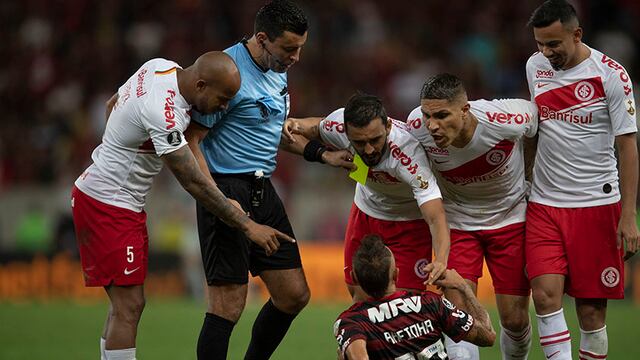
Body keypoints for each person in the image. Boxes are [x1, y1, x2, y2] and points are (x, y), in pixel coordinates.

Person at [72, 52, 295, 360]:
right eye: (223, 98)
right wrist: (247, 225)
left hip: (118, 200)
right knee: (130, 305)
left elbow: (115, 102)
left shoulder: (160, 67)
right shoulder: (164, 113)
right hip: (108, 203)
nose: (225, 107)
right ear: (200, 85)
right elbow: (192, 182)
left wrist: (118, 144)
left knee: (123, 305)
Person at [183, 1, 313, 359]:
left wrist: (320, 153)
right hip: (226, 187)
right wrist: (217, 200)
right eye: (289, 48)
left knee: (293, 295)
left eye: (300, 47)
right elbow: (192, 138)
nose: (296, 57)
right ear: (262, 38)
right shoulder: (226, 72)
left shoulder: (277, 65)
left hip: (262, 189)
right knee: (228, 305)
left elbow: (270, 129)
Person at [525, 1, 639, 359]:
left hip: (596, 204)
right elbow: (536, 128)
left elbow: (628, 147)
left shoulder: (611, 76)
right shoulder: (535, 66)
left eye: (554, 43)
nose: (546, 52)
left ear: (577, 34)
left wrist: (628, 215)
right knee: (544, 295)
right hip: (544, 203)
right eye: (540, 43)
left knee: (591, 312)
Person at [406, 73, 537, 360]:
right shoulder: (416, 126)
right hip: (458, 224)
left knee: (515, 320)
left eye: (441, 116)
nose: (432, 125)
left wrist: (530, 174)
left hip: (511, 220)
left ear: (465, 110)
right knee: (460, 320)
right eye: (428, 115)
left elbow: (537, 126)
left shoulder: (506, 118)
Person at [284, 93, 450, 301]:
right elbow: (305, 129)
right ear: (346, 132)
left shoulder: (410, 157)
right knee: (360, 296)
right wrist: (321, 152)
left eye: (375, 140)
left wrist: (441, 260)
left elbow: (436, 216)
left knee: (407, 304)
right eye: (360, 143)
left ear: (388, 127)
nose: (369, 149)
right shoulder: (338, 125)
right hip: (367, 212)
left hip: (409, 223)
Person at [333, 234, 495, 360]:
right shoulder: (431, 303)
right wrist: (463, 287)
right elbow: (488, 336)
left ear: (354, 278)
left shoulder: (352, 322)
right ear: (396, 274)